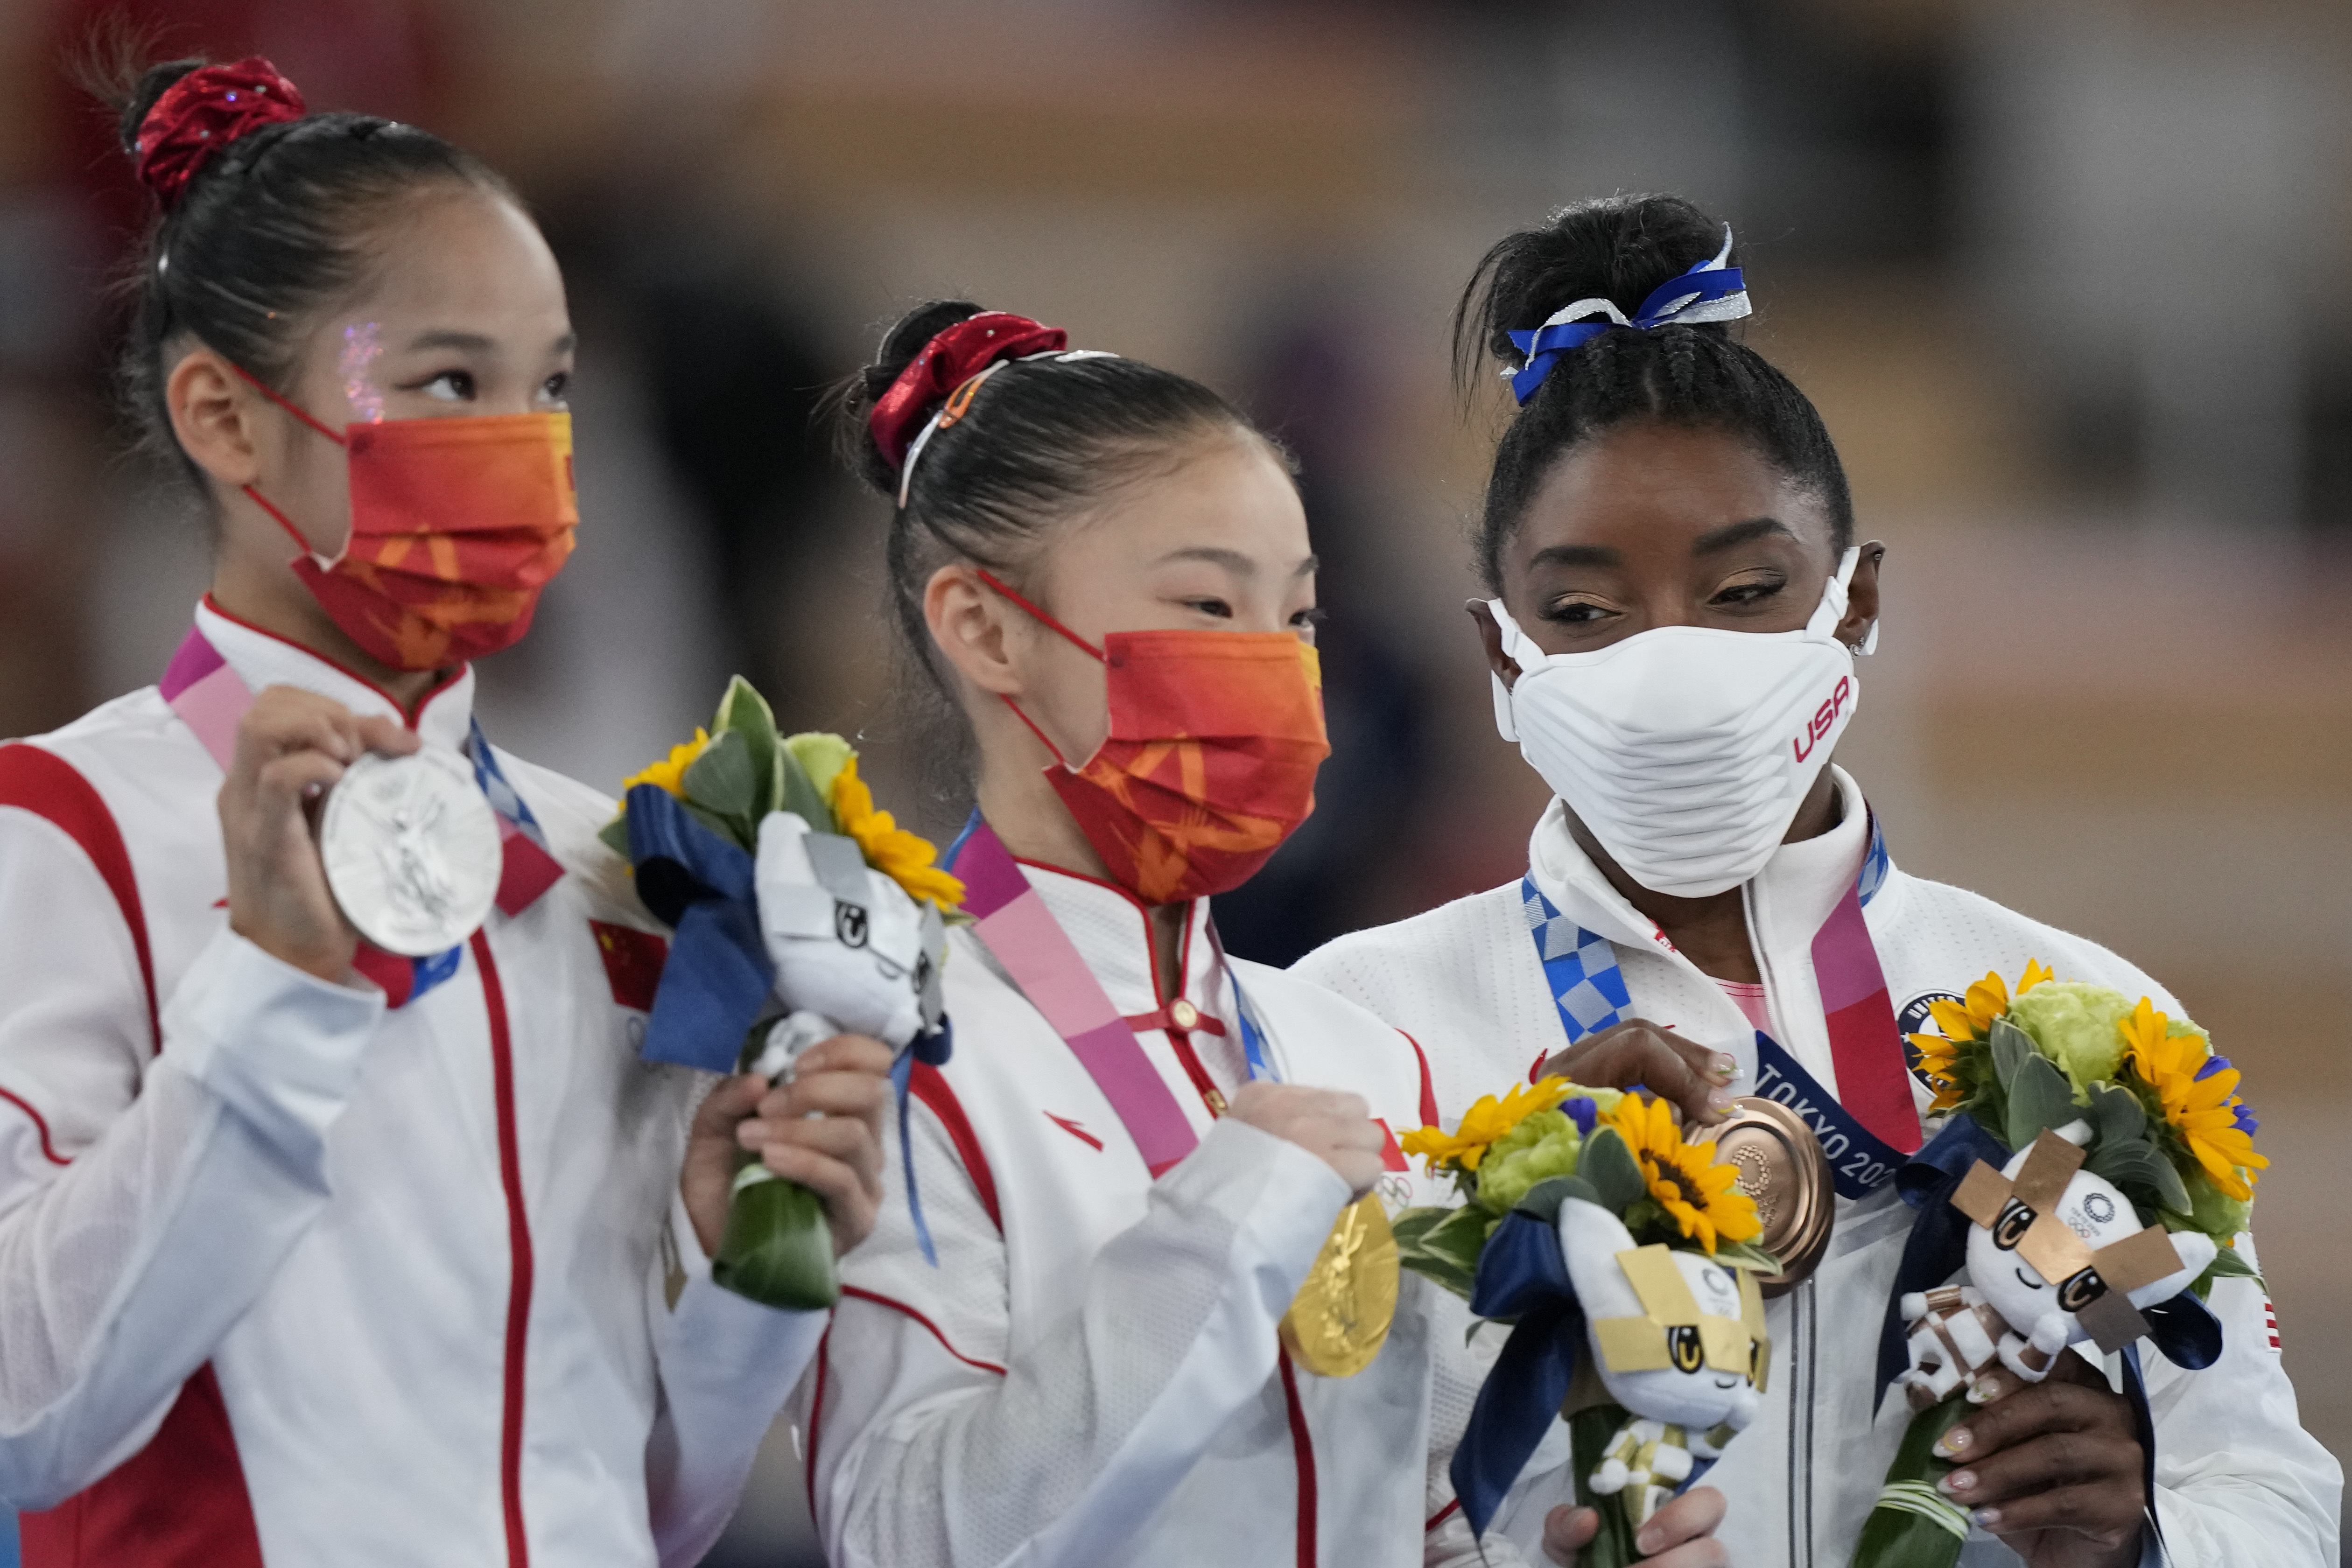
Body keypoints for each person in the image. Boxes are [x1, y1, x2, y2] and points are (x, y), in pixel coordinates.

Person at [1292, 193, 2343, 1568]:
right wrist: (1495, 1243)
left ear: (1855, 607)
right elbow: (1269, 1498)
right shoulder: (1352, 1029)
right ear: (1503, 658)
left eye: (1743, 595)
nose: (1669, 668)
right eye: (1587, 612)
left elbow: (2267, 1493)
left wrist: (2140, 1539)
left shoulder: (2089, 1037)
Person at [0, 55, 891, 1566]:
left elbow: (652, 1512)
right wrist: (274, 995)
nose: (528, 443)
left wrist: (743, 1268)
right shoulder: (63, 827)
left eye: (550, 385)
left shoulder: (615, 871)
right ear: (223, 414)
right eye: (446, 383)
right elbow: (31, 1414)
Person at [792, 302, 1630, 1567]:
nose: (1275, 672)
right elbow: (908, 1536)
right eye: (1206, 606)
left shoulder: (1357, 1054)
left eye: (1296, 620)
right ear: (985, 629)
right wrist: (1222, 1223)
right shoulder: (894, 1047)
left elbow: (1418, 1515)